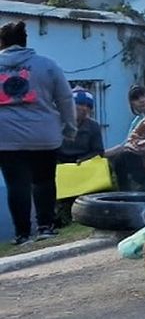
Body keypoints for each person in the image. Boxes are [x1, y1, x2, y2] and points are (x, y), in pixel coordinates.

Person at [0, 21, 74, 244]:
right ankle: (45, 227)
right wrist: (70, 126)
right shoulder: (47, 65)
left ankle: (23, 234)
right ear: (25, 42)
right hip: (44, 136)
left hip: (7, 138)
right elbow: (65, 98)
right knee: (43, 181)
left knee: (16, 185)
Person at [58, 89, 104, 163]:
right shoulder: (57, 124)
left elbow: (98, 152)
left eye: (88, 106)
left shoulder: (93, 126)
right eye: (80, 104)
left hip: (85, 167)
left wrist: (84, 160)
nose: (84, 108)